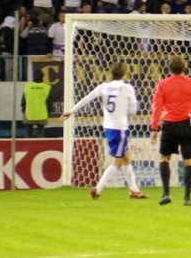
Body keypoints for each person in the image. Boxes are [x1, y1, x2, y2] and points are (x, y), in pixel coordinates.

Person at [61, 63, 148, 199]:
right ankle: (98, 189)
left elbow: (86, 99)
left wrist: (71, 111)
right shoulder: (127, 88)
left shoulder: (103, 87)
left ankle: (134, 190)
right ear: (125, 74)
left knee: (127, 157)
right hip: (120, 128)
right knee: (118, 162)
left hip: (108, 127)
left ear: (111, 74)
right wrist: (125, 109)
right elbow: (133, 110)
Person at [150, 56, 191, 206]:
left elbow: (156, 107)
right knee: (188, 162)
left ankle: (166, 193)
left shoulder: (163, 84)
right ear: (184, 67)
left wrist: (154, 128)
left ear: (169, 68)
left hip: (169, 125)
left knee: (165, 158)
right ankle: (187, 198)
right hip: (188, 124)